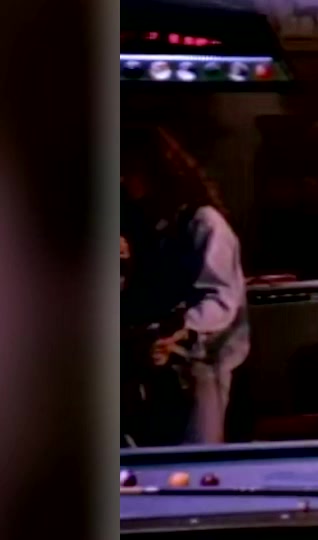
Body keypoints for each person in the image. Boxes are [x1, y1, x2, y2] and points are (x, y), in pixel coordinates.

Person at [121, 125, 249, 445]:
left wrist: (180, 328)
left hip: (199, 368)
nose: (122, 181)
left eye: (129, 171)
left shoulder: (204, 223)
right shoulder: (153, 226)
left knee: (193, 455)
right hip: (154, 370)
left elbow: (219, 299)